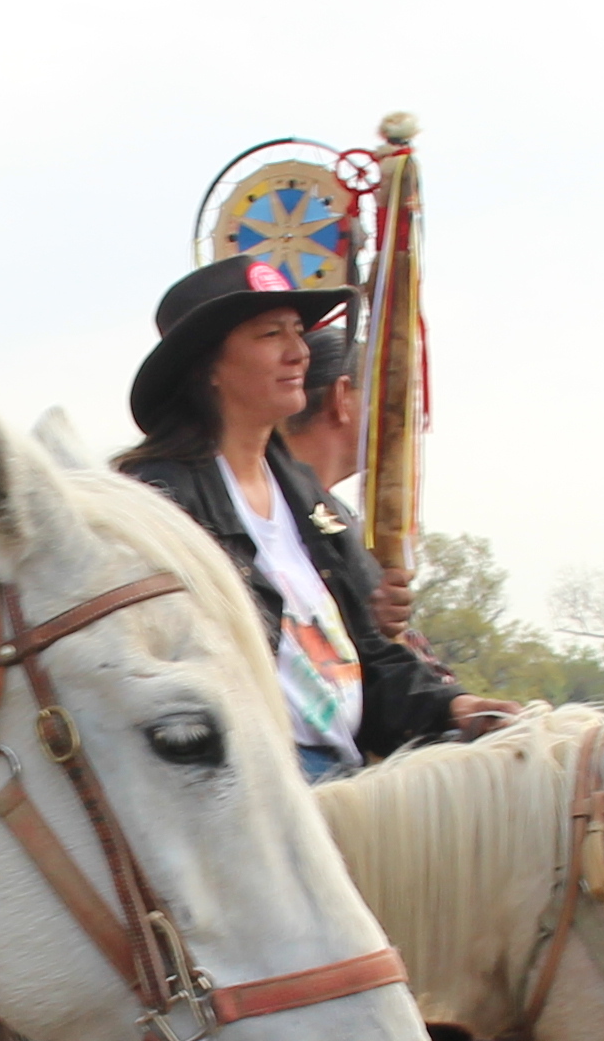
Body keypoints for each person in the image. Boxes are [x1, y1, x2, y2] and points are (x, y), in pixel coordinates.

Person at [110, 259, 483, 781]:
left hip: (345, 775)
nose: (298, 351)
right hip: (251, 787)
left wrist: (454, 707)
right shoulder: (155, 503)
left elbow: (372, 658)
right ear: (207, 367)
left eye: (298, 332)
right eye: (271, 334)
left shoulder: (310, 499)